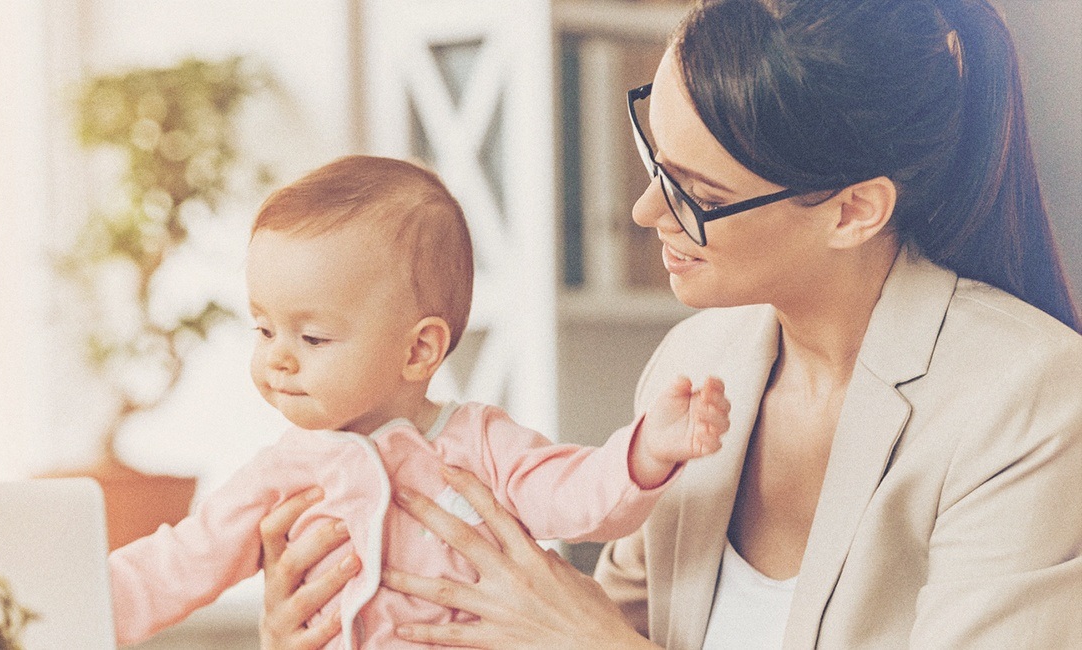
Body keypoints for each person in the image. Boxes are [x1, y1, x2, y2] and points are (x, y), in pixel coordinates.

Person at [256, 1, 1082, 649]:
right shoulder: (704, 360)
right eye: (655, 158)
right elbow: (590, 619)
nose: (647, 209)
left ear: (853, 211)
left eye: (701, 195)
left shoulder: (1024, 396)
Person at [108, 155, 732, 648]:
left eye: (313, 336)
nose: (278, 357)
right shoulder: (285, 475)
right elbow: (177, 563)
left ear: (419, 351)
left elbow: (582, 497)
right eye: (264, 329)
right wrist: (54, 607)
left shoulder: (482, 445)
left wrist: (647, 448)